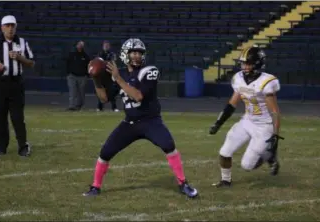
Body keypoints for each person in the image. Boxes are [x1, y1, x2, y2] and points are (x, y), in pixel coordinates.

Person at [83, 38, 198, 198]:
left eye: (139, 53)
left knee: (169, 145)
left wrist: (118, 78)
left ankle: (183, 184)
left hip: (150, 121)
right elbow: (104, 99)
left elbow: (138, 96)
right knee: (105, 152)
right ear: (125, 54)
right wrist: (96, 80)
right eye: (134, 52)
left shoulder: (149, 70)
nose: (137, 56)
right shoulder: (120, 73)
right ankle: (95, 187)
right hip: (130, 123)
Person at [208, 45, 284, 187]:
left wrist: (275, 135)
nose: (244, 66)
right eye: (243, 63)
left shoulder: (266, 82)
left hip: (264, 126)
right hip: (247, 121)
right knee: (224, 152)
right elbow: (232, 104)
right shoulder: (239, 79)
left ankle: (269, 156)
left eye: (248, 63)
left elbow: (274, 112)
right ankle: (226, 180)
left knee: (247, 166)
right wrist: (218, 123)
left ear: (257, 64)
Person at [0, 15, 34, 156]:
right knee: (0, 116)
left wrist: (19, 57)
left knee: (17, 117)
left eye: (12, 26)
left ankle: (23, 146)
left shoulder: (22, 42)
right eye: (7, 26)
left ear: (16, 27)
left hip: (16, 83)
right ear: (2, 27)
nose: (10, 29)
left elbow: (31, 63)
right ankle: (1, 146)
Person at [66, 40, 90, 111]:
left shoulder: (85, 56)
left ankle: (79, 105)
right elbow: (67, 63)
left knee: (81, 92)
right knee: (72, 91)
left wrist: (86, 74)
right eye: (79, 44)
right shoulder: (72, 54)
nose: (80, 46)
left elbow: (88, 65)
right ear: (76, 45)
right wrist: (68, 73)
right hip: (72, 75)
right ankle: (71, 106)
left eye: (82, 45)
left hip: (82, 76)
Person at [96, 40, 119, 112]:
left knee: (111, 91)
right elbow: (98, 63)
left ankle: (114, 107)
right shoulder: (99, 54)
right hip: (102, 75)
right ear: (103, 46)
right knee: (101, 91)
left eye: (107, 45)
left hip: (110, 74)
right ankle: (100, 107)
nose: (106, 46)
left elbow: (113, 62)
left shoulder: (112, 54)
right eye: (105, 45)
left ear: (109, 46)